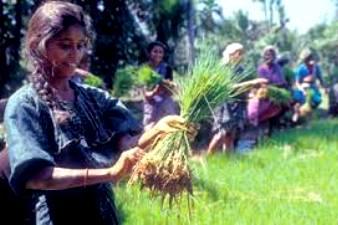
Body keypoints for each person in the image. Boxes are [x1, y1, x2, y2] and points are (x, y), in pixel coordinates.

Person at [4, 2, 188, 225]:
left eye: (81, 45)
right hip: (59, 217)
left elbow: (127, 145)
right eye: (65, 45)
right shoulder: (25, 104)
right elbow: (37, 177)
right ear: (38, 46)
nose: (75, 55)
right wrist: (110, 173)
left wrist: (159, 129)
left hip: (102, 214)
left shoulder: (95, 98)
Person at [207, 43, 246, 154]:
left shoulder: (240, 69)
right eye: (238, 53)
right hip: (223, 103)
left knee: (230, 134)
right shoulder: (222, 67)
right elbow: (225, 87)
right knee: (222, 132)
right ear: (231, 53)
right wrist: (250, 84)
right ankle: (208, 157)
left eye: (241, 53)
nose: (240, 55)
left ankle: (227, 160)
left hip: (236, 102)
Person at [247, 46, 287, 128]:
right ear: (263, 56)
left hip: (276, 91)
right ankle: (255, 121)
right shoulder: (261, 69)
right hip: (264, 92)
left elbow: (280, 81)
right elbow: (261, 82)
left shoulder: (277, 67)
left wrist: (274, 86)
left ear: (274, 56)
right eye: (267, 55)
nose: (269, 57)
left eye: (271, 55)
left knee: (283, 104)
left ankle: (276, 123)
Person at [143, 41, 178, 130]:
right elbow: (146, 94)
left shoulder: (167, 69)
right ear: (149, 53)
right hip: (151, 104)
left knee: (169, 128)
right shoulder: (144, 70)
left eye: (160, 52)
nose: (158, 54)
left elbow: (170, 91)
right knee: (150, 130)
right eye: (155, 51)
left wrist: (169, 87)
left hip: (166, 104)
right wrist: (155, 92)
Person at [292, 48, 326, 122]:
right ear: (304, 60)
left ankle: (308, 119)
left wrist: (324, 87)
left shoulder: (316, 67)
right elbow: (297, 82)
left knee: (316, 100)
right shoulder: (300, 69)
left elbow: (320, 78)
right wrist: (302, 89)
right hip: (302, 88)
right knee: (299, 100)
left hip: (313, 88)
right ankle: (297, 113)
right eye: (307, 59)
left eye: (310, 57)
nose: (309, 60)